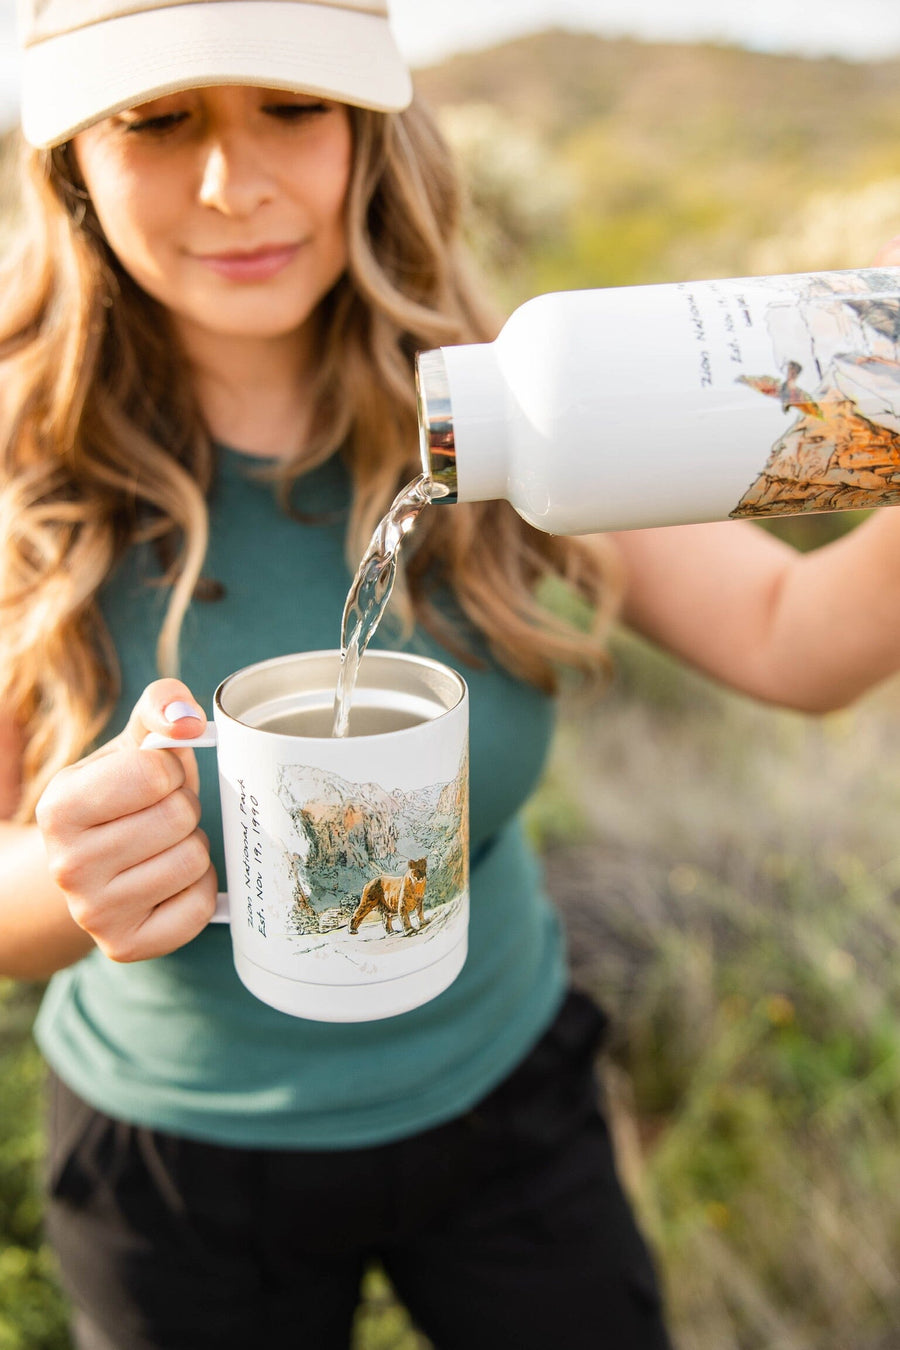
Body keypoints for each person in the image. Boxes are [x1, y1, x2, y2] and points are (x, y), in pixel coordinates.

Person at [3, 2, 900, 1347]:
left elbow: (794, 635)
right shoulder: (27, 473)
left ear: (373, 131)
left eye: (291, 109)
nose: (232, 182)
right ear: (70, 156)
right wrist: (80, 872)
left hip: (506, 1105)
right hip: (177, 1163)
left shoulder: (540, 414)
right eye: (158, 119)